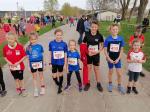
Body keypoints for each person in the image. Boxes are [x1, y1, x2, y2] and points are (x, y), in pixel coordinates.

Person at [3, 32, 27, 96]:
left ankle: (23, 89)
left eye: (11, 39)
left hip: (20, 67)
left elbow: (24, 56)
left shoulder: (20, 46)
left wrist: (18, 62)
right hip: (12, 67)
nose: (10, 40)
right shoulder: (5, 48)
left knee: (21, 79)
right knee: (16, 79)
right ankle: (18, 89)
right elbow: (4, 57)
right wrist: (8, 62)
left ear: (15, 39)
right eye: (8, 39)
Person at [104, 23, 125, 94]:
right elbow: (105, 50)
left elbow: (122, 50)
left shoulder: (121, 38)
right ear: (110, 30)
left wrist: (118, 58)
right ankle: (110, 84)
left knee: (119, 73)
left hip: (117, 59)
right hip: (110, 58)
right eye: (113, 29)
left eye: (116, 29)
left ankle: (119, 85)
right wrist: (108, 58)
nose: (115, 30)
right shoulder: (107, 39)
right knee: (111, 72)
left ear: (118, 30)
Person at [83, 20, 104, 92]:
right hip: (88, 54)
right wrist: (87, 52)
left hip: (96, 55)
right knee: (89, 68)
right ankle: (87, 83)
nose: (94, 28)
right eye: (92, 27)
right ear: (90, 27)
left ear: (98, 27)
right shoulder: (87, 35)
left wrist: (97, 52)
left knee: (96, 69)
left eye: (95, 27)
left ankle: (98, 83)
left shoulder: (100, 36)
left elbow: (101, 46)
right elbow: (83, 45)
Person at [26, 32, 45, 97]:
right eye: (31, 39)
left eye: (34, 39)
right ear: (29, 40)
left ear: (37, 39)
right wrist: (28, 66)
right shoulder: (28, 47)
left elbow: (42, 55)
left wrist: (44, 63)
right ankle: (36, 89)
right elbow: (28, 57)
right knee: (34, 77)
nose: (33, 41)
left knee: (41, 76)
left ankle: (42, 88)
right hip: (32, 64)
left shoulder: (40, 46)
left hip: (40, 63)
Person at [49, 29, 68, 94]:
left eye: (60, 35)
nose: (59, 36)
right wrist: (50, 63)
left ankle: (60, 86)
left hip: (61, 62)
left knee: (60, 74)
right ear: (55, 35)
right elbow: (50, 53)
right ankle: (57, 82)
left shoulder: (64, 44)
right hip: (54, 62)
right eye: (57, 35)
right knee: (54, 76)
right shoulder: (51, 43)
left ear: (62, 35)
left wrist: (65, 64)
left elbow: (65, 54)